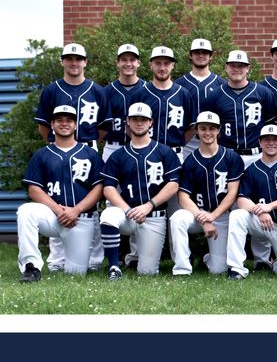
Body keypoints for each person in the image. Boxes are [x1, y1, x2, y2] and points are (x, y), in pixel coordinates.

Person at [34, 43, 109, 272]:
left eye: (78, 59)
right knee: (59, 199)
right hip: (58, 149)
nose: (74, 63)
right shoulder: (51, 90)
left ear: (85, 62)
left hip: (87, 148)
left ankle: (94, 259)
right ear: (62, 62)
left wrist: (86, 144)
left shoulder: (97, 90)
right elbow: (43, 127)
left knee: (90, 203)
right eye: (69, 59)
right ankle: (58, 260)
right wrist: (57, 144)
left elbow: (103, 128)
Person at [204, 50, 277, 271]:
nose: (237, 69)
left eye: (241, 66)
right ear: (226, 68)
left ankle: (261, 259)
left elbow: (274, 126)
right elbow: (207, 128)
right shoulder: (215, 95)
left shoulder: (263, 93)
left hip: (257, 153)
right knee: (226, 203)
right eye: (233, 65)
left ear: (248, 68)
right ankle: (225, 255)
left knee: (260, 201)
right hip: (228, 155)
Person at [18, 106, 104, 281]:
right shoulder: (41, 155)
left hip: (81, 219)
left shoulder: (91, 154)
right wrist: (59, 210)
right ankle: (31, 267)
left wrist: (76, 210)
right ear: (52, 124)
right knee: (26, 212)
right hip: (52, 217)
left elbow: (99, 188)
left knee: (76, 273)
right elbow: (34, 189)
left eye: (69, 120)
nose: (64, 123)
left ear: (76, 125)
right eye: (59, 120)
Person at [99, 102, 182, 280]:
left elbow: (173, 185)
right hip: (127, 215)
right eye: (135, 119)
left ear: (151, 122)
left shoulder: (165, 152)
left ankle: (139, 262)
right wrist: (127, 210)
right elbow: (108, 188)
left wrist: (148, 205)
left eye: (143, 119)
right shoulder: (118, 155)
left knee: (147, 273)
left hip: (154, 216)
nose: (139, 123)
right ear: (127, 122)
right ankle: (114, 267)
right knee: (108, 215)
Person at [226, 124, 277, 280]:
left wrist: (269, 206)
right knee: (237, 215)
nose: (271, 143)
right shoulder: (252, 169)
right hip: (262, 223)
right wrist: (261, 211)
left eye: (275, 139)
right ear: (260, 142)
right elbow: (242, 199)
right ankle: (236, 269)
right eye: (267, 139)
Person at [169, 111, 244, 275]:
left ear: (219, 131)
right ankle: (182, 268)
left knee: (218, 270)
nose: (207, 133)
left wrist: (213, 216)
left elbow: (232, 194)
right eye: (203, 128)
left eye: (212, 128)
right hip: (198, 215)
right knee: (177, 218)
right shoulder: (191, 161)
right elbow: (183, 196)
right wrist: (203, 218)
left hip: (222, 215)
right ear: (196, 130)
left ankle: (206, 258)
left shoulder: (231, 157)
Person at [131, 46, 196, 163]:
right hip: (145, 153)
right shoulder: (140, 94)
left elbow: (192, 127)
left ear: (172, 65)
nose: (162, 68)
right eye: (158, 63)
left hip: (175, 154)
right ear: (151, 65)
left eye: (166, 63)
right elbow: (129, 124)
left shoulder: (183, 94)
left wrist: (178, 142)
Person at [174, 38, 226, 159]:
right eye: (197, 52)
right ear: (190, 55)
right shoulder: (179, 84)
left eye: (205, 52)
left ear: (211, 56)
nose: (201, 55)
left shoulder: (221, 84)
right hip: (187, 142)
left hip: (214, 139)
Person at [103, 43, 146, 162]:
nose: (128, 64)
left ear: (138, 63)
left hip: (143, 146)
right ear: (117, 62)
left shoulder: (148, 90)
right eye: (124, 60)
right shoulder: (106, 91)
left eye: (132, 60)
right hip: (113, 147)